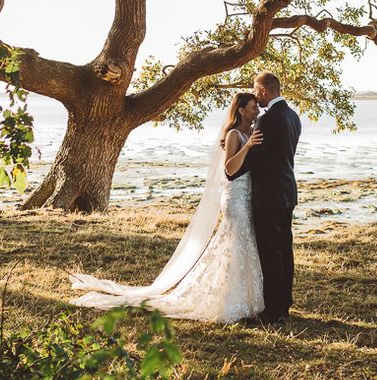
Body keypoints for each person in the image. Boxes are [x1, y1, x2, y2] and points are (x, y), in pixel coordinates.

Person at [69, 92, 265, 323]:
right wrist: (248, 146)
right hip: (235, 198)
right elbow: (230, 169)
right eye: (253, 107)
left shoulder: (248, 133)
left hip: (247, 195)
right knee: (236, 243)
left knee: (242, 244)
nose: (257, 111)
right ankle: (229, 300)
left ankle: (245, 298)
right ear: (241, 110)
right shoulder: (234, 135)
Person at [227, 71, 302, 322]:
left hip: (268, 196)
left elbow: (255, 159)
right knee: (284, 249)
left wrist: (236, 169)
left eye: (256, 90)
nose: (256, 99)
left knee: (270, 252)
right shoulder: (294, 116)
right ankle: (284, 303)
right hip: (287, 192)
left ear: (263, 91)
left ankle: (272, 310)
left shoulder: (268, 120)